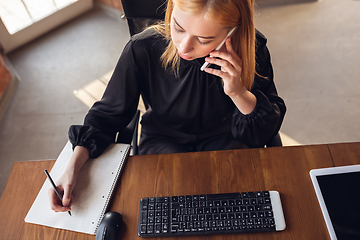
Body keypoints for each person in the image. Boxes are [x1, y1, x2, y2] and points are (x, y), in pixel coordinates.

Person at [48, 0, 286, 213]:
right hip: (163, 137)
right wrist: (72, 168)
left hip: (226, 137)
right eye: (178, 28)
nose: (183, 47)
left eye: (203, 40)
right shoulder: (142, 48)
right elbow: (107, 116)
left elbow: (262, 132)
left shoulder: (252, 49)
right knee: (160, 209)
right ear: (172, 8)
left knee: (234, 208)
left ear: (231, 33)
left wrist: (237, 92)